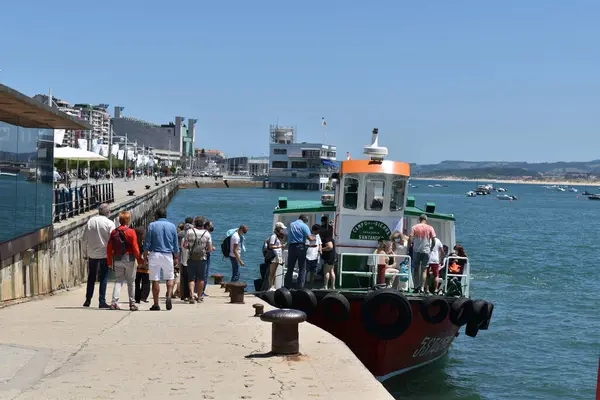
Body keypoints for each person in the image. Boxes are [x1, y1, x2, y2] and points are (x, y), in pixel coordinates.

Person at [144, 208, 179, 311]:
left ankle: (156, 304)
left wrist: (145, 254)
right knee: (170, 277)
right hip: (168, 254)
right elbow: (175, 243)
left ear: (156, 216)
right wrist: (176, 256)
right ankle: (168, 294)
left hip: (155, 254)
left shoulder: (152, 225)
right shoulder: (172, 226)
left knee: (155, 279)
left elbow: (147, 242)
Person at [107, 211, 144, 311]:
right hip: (129, 259)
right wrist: (140, 260)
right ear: (128, 220)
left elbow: (109, 248)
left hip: (117, 259)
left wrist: (109, 262)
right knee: (131, 282)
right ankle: (132, 304)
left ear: (119, 220)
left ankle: (114, 303)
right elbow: (135, 248)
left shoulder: (114, 232)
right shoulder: (131, 232)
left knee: (118, 281)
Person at [82, 203, 115, 308]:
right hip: (105, 254)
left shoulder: (90, 221)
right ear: (108, 212)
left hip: (92, 253)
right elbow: (113, 240)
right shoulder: (110, 223)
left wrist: (85, 253)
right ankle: (102, 301)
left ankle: (88, 299)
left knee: (91, 276)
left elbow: (84, 239)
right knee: (103, 277)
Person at [185, 216, 212, 304]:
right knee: (201, 278)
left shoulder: (189, 231)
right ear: (203, 223)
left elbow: (185, 245)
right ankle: (199, 297)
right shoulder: (207, 233)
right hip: (202, 258)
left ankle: (192, 295)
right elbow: (210, 249)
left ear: (195, 223)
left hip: (191, 257)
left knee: (191, 278)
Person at [284, 215, 315, 289]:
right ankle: (300, 286)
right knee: (302, 267)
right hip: (301, 246)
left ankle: (287, 286)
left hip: (291, 246)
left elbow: (287, 235)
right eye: (306, 220)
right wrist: (314, 238)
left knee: (290, 267)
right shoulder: (304, 226)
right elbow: (310, 238)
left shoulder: (291, 225)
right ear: (304, 219)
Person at [408, 214, 436, 293]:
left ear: (419, 219)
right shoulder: (430, 228)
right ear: (426, 220)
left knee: (416, 269)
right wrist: (431, 248)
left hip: (416, 250)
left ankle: (416, 287)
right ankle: (422, 288)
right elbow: (434, 240)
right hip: (426, 250)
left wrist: (409, 246)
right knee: (424, 270)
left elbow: (410, 238)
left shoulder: (415, 227)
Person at [265, 222, 287, 291]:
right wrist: (280, 246)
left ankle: (273, 286)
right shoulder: (273, 236)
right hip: (274, 256)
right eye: (281, 228)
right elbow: (271, 246)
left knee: (274, 272)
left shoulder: (277, 236)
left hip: (277, 256)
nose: (282, 230)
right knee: (272, 272)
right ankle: (270, 286)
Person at [177, 217, 194, 300]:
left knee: (183, 277)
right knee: (191, 278)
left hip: (182, 258)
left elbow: (178, 247)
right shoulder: (194, 236)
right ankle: (192, 294)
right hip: (192, 260)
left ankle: (183, 294)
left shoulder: (180, 235)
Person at [134, 226, 151, 303]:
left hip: (136, 265)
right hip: (145, 264)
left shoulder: (134, 242)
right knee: (146, 281)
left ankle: (137, 297)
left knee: (137, 282)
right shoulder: (144, 242)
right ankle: (143, 297)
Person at [201, 220, 215, 297]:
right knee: (205, 274)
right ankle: (202, 291)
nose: (212, 226)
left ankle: (197, 290)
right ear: (207, 226)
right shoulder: (207, 234)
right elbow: (208, 248)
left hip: (198, 254)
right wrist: (212, 248)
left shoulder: (200, 232)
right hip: (206, 254)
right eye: (211, 225)